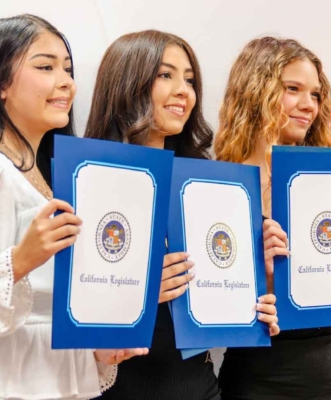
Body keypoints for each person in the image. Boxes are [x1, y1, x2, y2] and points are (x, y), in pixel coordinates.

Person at [85, 30, 280, 400]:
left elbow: (218, 295)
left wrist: (258, 301)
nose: (184, 91)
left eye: (189, 79)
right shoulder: (88, 181)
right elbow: (64, 324)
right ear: (127, 81)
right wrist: (137, 297)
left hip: (200, 388)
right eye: (166, 75)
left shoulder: (208, 185)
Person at [0, 14, 146, 400]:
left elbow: (45, 312)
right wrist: (18, 260)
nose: (67, 81)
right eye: (45, 67)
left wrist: (100, 354)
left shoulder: (50, 178)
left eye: (67, 69)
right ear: (1, 82)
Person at [214, 36, 331, 400]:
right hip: (259, 367)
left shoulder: (328, 179)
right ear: (254, 91)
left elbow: (326, 275)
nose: (308, 105)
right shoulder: (216, 185)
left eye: (315, 94)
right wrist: (260, 274)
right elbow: (209, 299)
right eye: (293, 89)